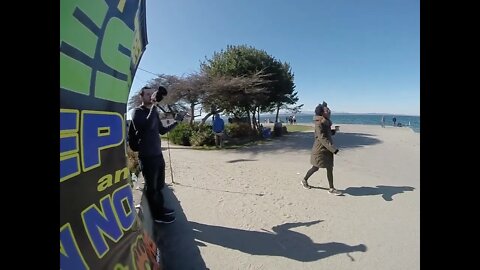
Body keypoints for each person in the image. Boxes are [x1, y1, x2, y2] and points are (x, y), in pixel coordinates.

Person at [132, 85, 185, 224]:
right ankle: (157, 216)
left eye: (152, 94)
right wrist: (154, 105)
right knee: (152, 187)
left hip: (157, 154)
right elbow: (148, 126)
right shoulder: (137, 112)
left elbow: (161, 130)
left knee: (159, 185)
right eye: (148, 94)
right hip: (147, 156)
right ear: (141, 96)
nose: (151, 96)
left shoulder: (154, 112)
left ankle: (161, 209)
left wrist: (177, 122)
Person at [301, 101, 342, 195]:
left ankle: (331, 188)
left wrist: (333, 131)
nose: (329, 111)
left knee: (329, 168)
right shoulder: (319, 123)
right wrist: (333, 149)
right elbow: (322, 138)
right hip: (319, 150)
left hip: (327, 149)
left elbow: (327, 134)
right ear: (322, 113)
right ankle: (304, 180)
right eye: (327, 110)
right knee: (315, 167)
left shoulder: (326, 122)